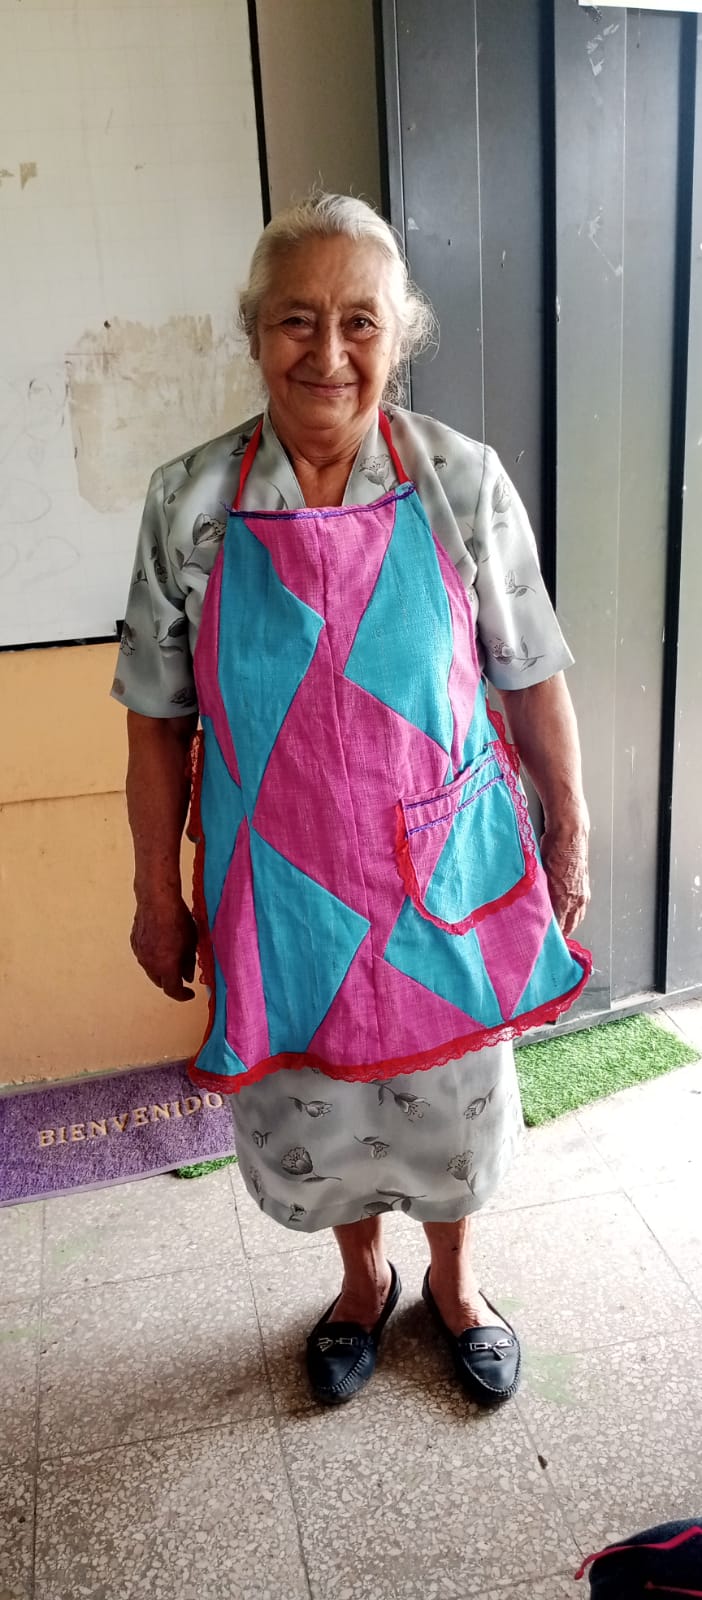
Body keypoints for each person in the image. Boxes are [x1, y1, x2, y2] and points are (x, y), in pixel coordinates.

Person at [113, 192, 591, 1409]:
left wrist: (569, 836)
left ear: (398, 333)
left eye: (359, 321)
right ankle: (362, 1279)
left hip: (442, 869)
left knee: (452, 1110)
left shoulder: (459, 479)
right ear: (255, 331)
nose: (327, 351)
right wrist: (157, 893)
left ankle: (457, 1286)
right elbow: (157, 717)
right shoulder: (190, 503)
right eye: (296, 319)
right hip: (279, 884)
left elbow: (531, 672)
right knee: (321, 1107)